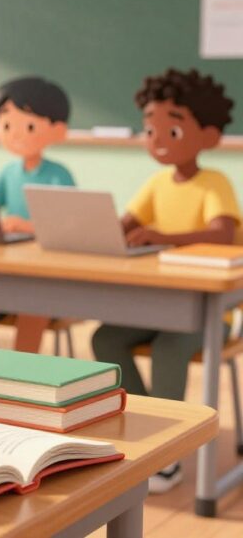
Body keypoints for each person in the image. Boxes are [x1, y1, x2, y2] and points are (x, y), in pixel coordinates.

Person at [92, 68, 238, 494]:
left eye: (170, 128)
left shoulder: (215, 182)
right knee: (106, 339)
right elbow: (127, 222)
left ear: (208, 136)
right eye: (149, 128)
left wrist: (164, 237)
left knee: (169, 347)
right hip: (158, 306)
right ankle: (143, 427)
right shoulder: (156, 183)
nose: (157, 138)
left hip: (210, 312)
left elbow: (222, 233)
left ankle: (167, 455)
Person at [0, 76, 76, 353]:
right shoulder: (8, 173)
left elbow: (69, 225)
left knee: (32, 313)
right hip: (7, 271)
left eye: (29, 126)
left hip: (45, 278)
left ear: (57, 130)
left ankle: (21, 379)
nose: (16, 134)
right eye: (7, 125)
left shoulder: (58, 176)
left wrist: (27, 226)